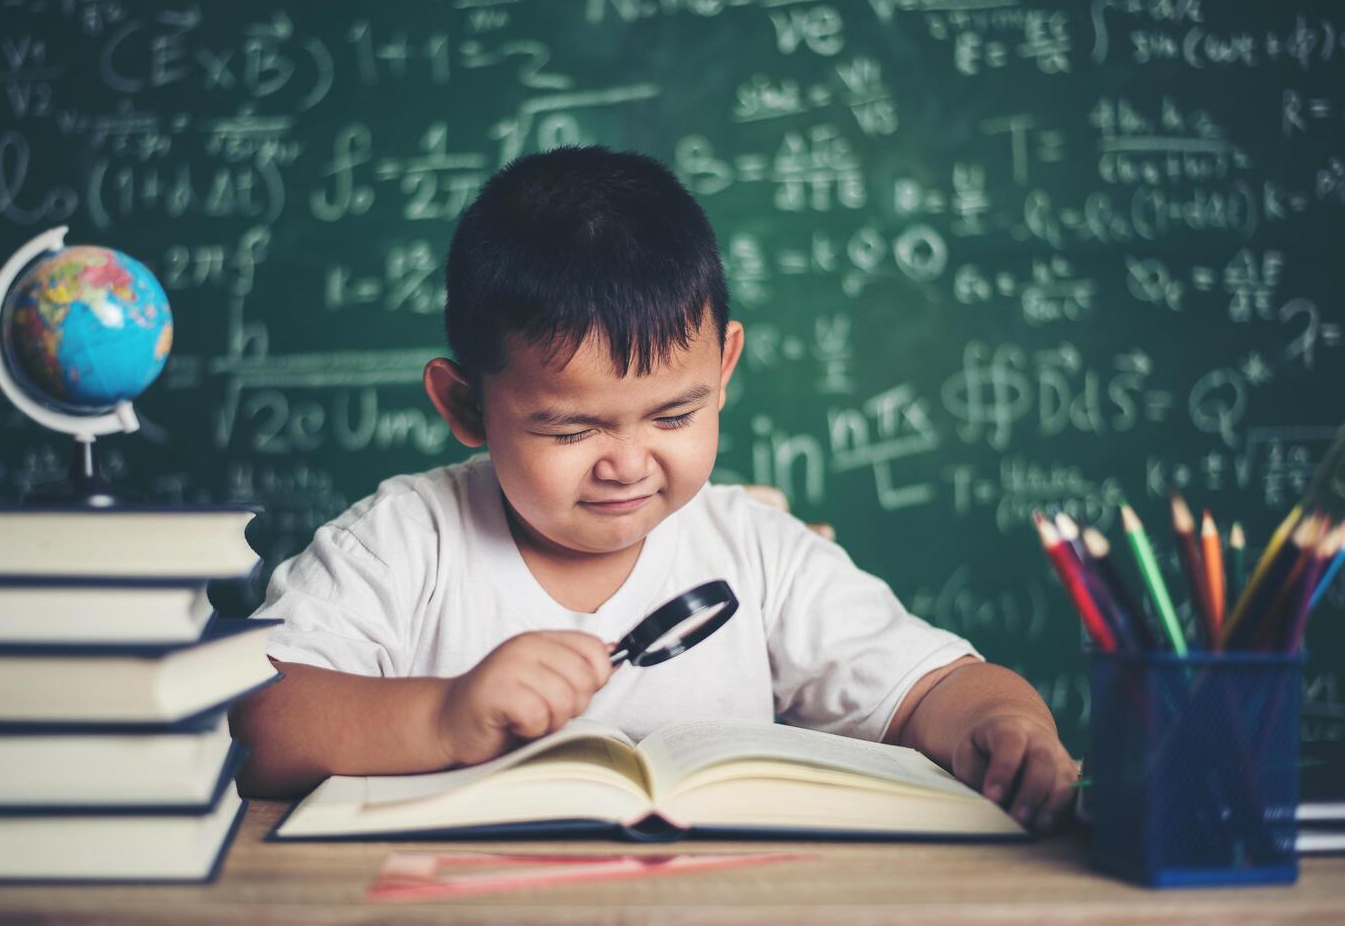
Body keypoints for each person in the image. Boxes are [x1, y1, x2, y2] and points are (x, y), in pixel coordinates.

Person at [230, 146, 1077, 832]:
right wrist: (445, 715)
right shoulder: (404, 540)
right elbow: (263, 723)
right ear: (463, 405)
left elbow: (933, 688)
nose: (628, 463)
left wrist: (1006, 727)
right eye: (571, 431)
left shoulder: (756, 550)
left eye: (674, 416)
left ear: (725, 369)